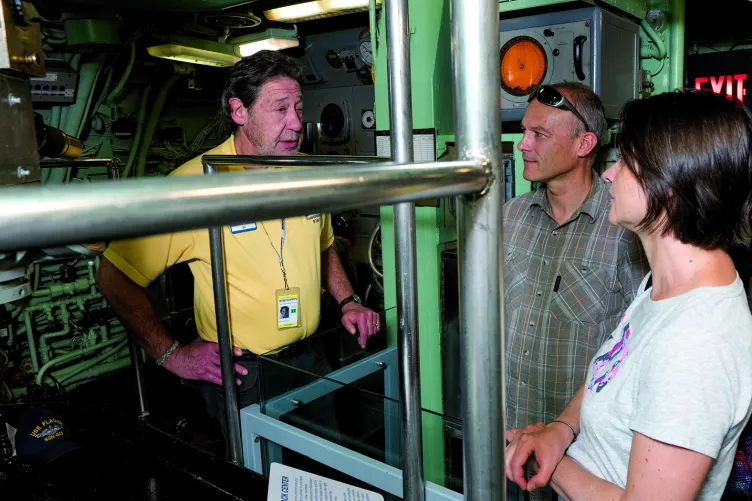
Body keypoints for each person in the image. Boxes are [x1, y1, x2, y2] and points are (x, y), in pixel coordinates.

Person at [95, 50, 380, 438]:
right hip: (245, 372)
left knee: (321, 473)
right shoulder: (192, 187)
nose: (297, 123)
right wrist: (170, 354)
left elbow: (324, 243)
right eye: (280, 109)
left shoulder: (306, 170)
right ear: (239, 111)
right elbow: (113, 276)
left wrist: (348, 300)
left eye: (298, 107)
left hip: (311, 359)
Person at [504, 90, 752, 501]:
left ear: (670, 185)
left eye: (626, 164)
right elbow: (612, 371)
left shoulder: (698, 343)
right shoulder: (663, 287)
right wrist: (561, 431)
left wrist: (558, 465)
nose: (608, 174)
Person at [504, 82, 647, 429]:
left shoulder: (625, 232)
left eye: (539, 134)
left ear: (584, 143)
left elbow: (638, 350)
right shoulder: (509, 217)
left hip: (580, 447)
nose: (523, 144)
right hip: (509, 432)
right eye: (524, 131)